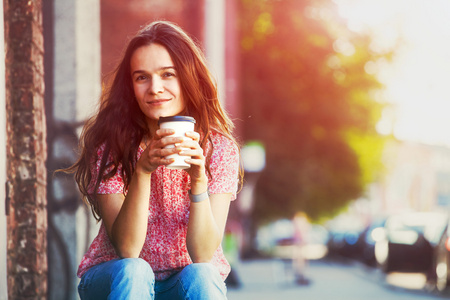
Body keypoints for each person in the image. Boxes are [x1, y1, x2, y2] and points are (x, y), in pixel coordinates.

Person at [66, 21, 241, 299]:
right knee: (136, 269)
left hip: (183, 282)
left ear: (188, 77)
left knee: (203, 274)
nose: (155, 88)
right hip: (115, 278)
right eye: (141, 77)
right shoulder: (112, 145)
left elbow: (204, 254)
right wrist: (143, 171)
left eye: (167, 74)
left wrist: (198, 182)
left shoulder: (219, 149)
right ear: (131, 87)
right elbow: (127, 249)